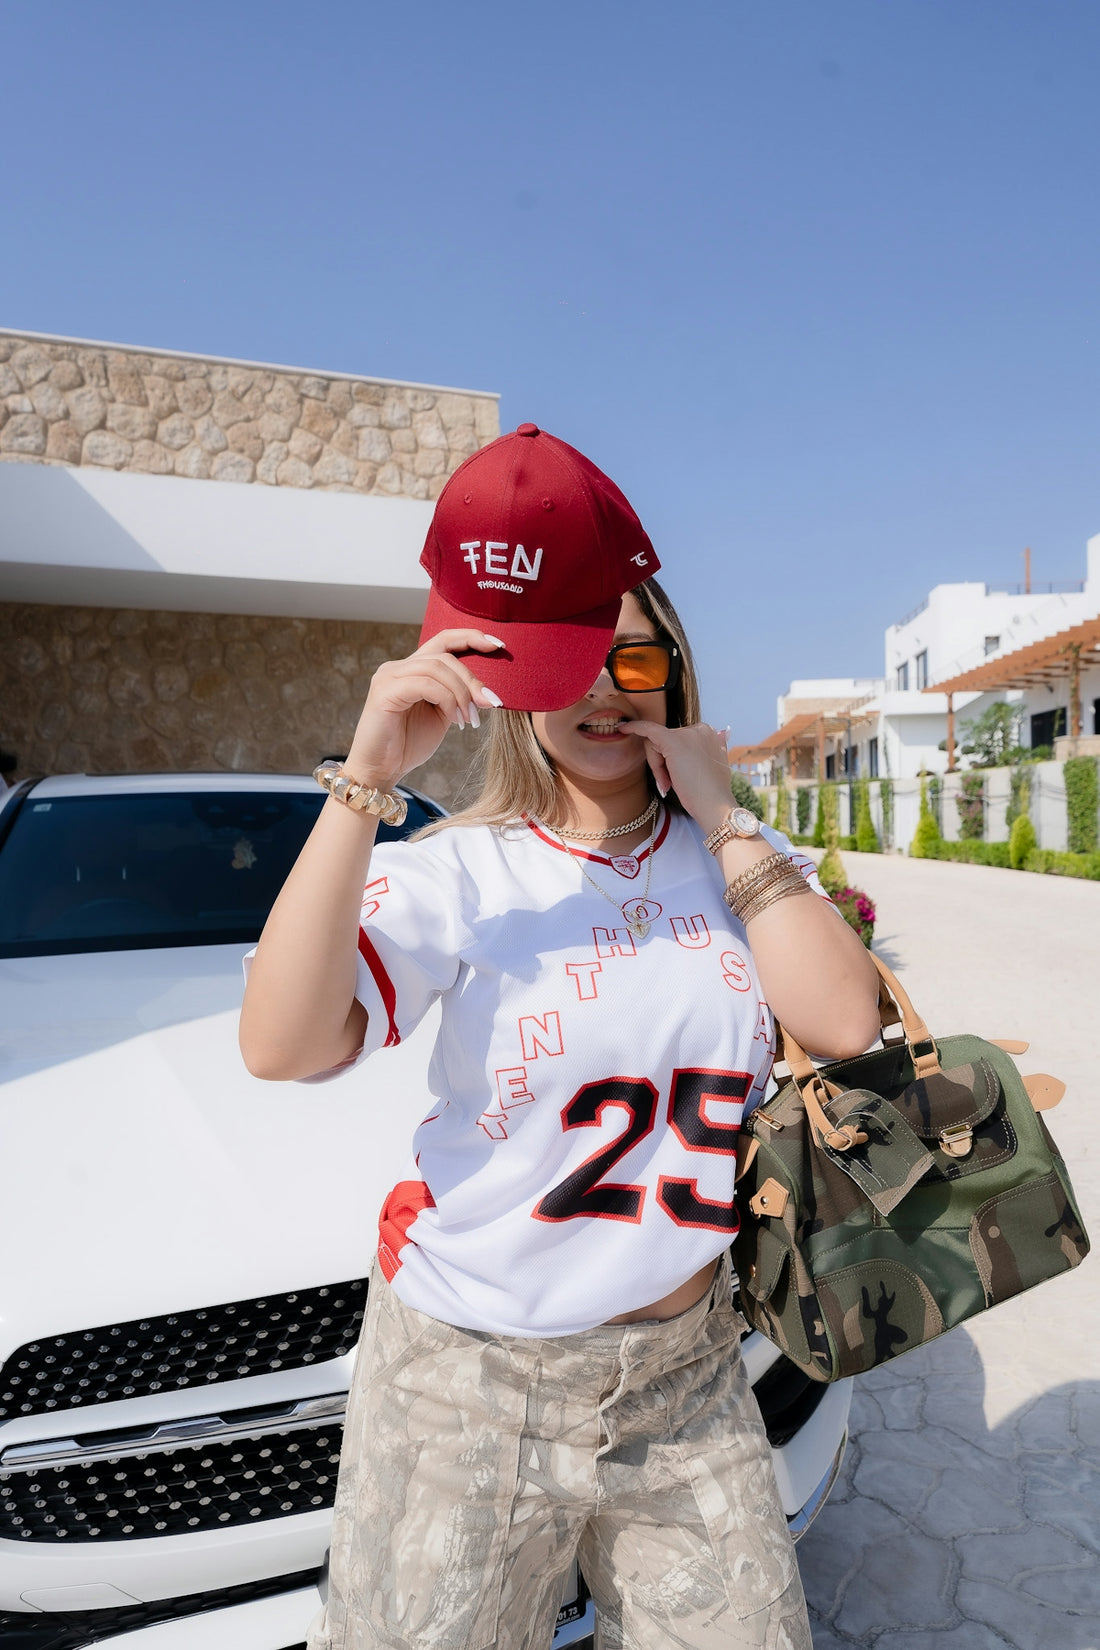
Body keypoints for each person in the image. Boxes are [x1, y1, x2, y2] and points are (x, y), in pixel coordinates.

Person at [240, 424, 879, 1650]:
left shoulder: (740, 863)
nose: (600, 693)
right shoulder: (461, 873)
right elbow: (282, 1042)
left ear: (675, 678)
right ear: (516, 687)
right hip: (467, 1383)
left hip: (685, 1372)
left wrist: (722, 813)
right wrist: (367, 772)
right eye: (567, 663)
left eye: (631, 663)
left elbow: (844, 1022)